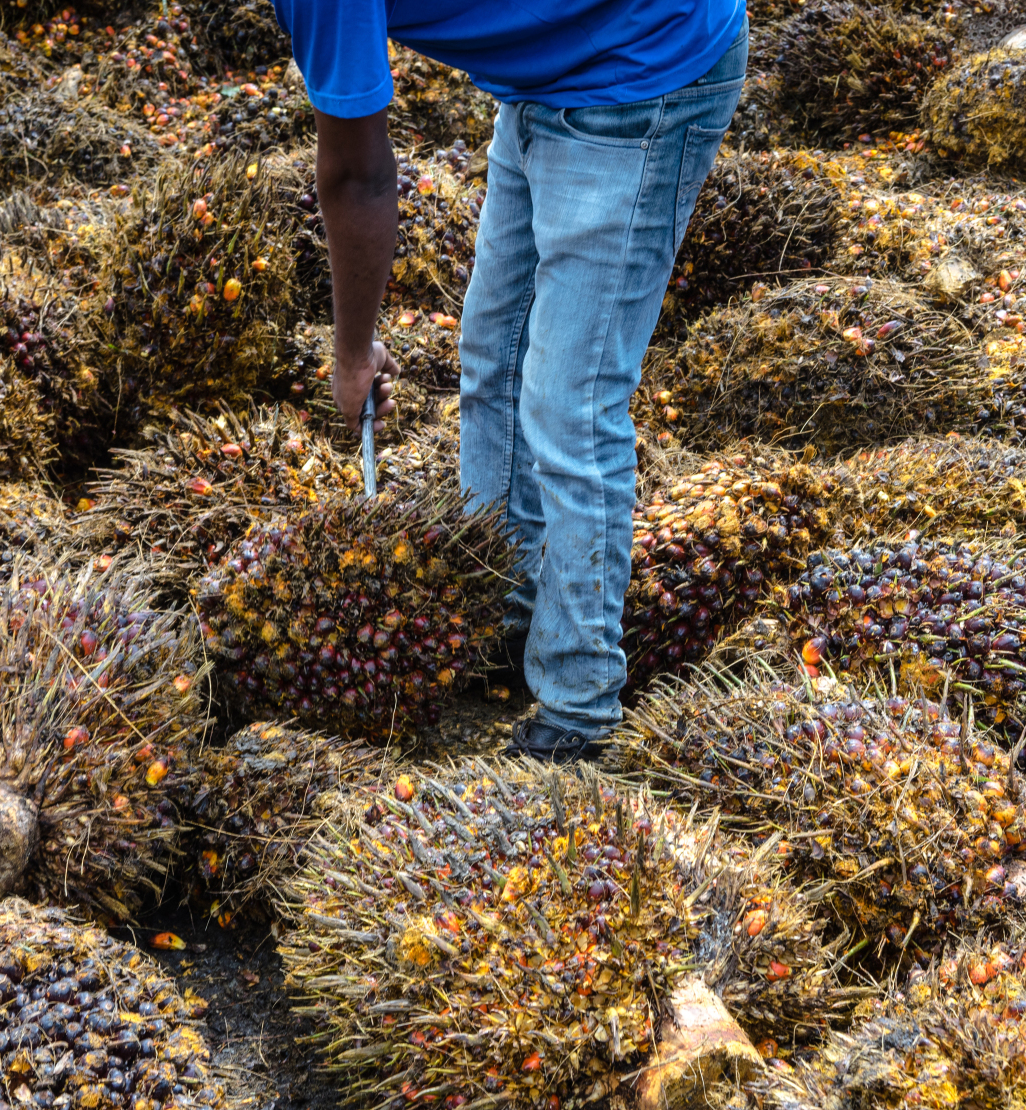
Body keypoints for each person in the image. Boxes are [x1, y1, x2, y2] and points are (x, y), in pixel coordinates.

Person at [275, 0, 748, 763]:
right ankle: (503, 602)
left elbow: (359, 177)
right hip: (544, 76)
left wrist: (353, 352)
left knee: (571, 402)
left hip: (642, 69)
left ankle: (578, 703)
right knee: (494, 354)